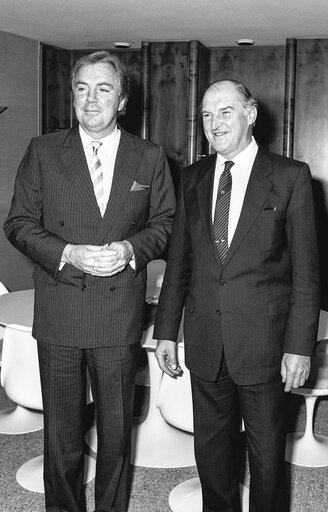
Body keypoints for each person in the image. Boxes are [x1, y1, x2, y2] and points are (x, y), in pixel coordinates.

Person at [4, 51, 175, 512]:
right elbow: (18, 223)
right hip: (60, 309)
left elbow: (165, 224)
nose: (90, 98)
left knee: (117, 432)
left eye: (103, 88)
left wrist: (128, 250)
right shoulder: (43, 150)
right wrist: (67, 253)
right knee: (62, 435)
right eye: (82, 87)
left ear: (122, 101)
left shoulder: (149, 156)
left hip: (118, 311)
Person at [154, 79, 320, 512]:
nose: (214, 123)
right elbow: (180, 265)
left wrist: (299, 347)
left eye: (225, 112)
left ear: (250, 115)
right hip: (206, 337)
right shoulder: (192, 178)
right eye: (207, 115)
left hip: (264, 344)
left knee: (266, 457)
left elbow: (307, 274)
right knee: (211, 453)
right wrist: (165, 332)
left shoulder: (290, 176)